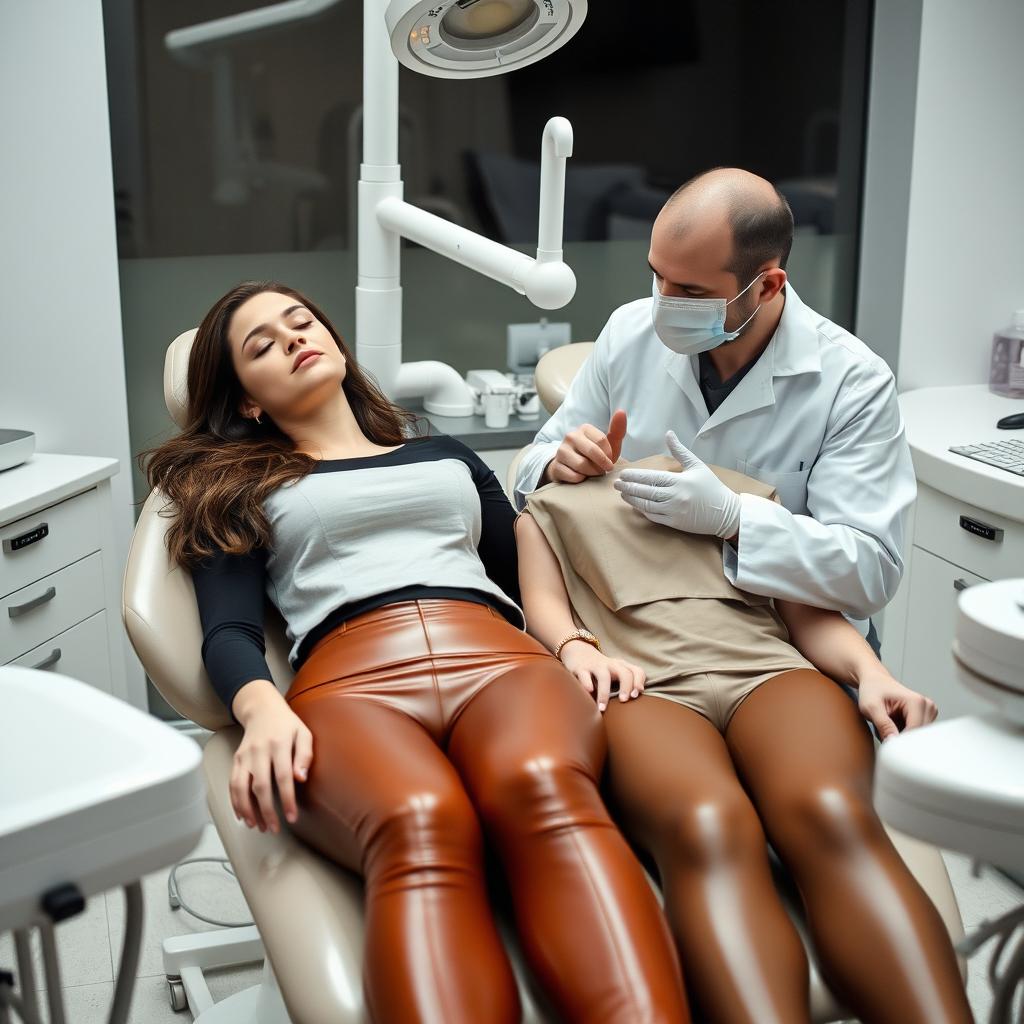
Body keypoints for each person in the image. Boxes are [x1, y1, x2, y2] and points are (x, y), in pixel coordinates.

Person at [142, 281, 690, 1024]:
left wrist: (570, 643)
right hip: (350, 687)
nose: (294, 338)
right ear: (247, 401)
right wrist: (261, 708)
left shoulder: (444, 453)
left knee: (543, 788)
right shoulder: (235, 484)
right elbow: (229, 630)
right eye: (262, 345)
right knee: (420, 818)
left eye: (301, 322)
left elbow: (525, 574)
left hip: (500, 662)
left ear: (334, 340)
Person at [514, 451, 974, 1024]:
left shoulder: (744, 498)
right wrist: (574, 646)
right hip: (644, 686)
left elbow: (807, 617)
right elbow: (542, 610)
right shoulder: (546, 510)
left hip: (770, 672)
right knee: (707, 825)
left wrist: (871, 675)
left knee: (830, 811)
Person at [513, 167, 917, 657]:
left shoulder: (854, 383)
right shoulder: (628, 331)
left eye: (691, 292)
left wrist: (736, 519)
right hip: (640, 614)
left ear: (767, 286)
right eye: (657, 276)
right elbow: (533, 463)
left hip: (782, 632)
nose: (664, 303)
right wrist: (559, 462)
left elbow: (870, 573)